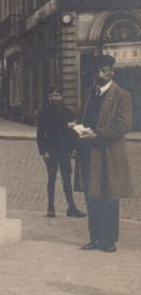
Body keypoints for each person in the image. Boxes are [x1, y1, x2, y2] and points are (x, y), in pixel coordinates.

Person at [74, 54, 133, 253]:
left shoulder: (122, 95)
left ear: (111, 71)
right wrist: (77, 126)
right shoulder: (89, 93)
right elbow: (83, 115)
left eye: (104, 70)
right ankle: (95, 237)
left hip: (109, 154)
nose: (100, 74)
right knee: (92, 196)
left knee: (108, 196)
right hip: (89, 153)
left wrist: (97, 135)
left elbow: (123, 125)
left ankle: (108, 240)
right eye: (97, 70)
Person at [37, 86, 86, 218]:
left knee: (66, 179)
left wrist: (72, 149)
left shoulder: (67, 113)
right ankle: (50, 207)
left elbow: (73, 133)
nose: (54, 98)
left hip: (64, 150)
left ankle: (71, 208)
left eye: (57, 95)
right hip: (50, 150)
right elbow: (40, 134)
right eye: (51, 96)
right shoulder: (44, 113)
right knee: (51, 178)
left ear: (62, 97)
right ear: (48, 98)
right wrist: (44, 151)